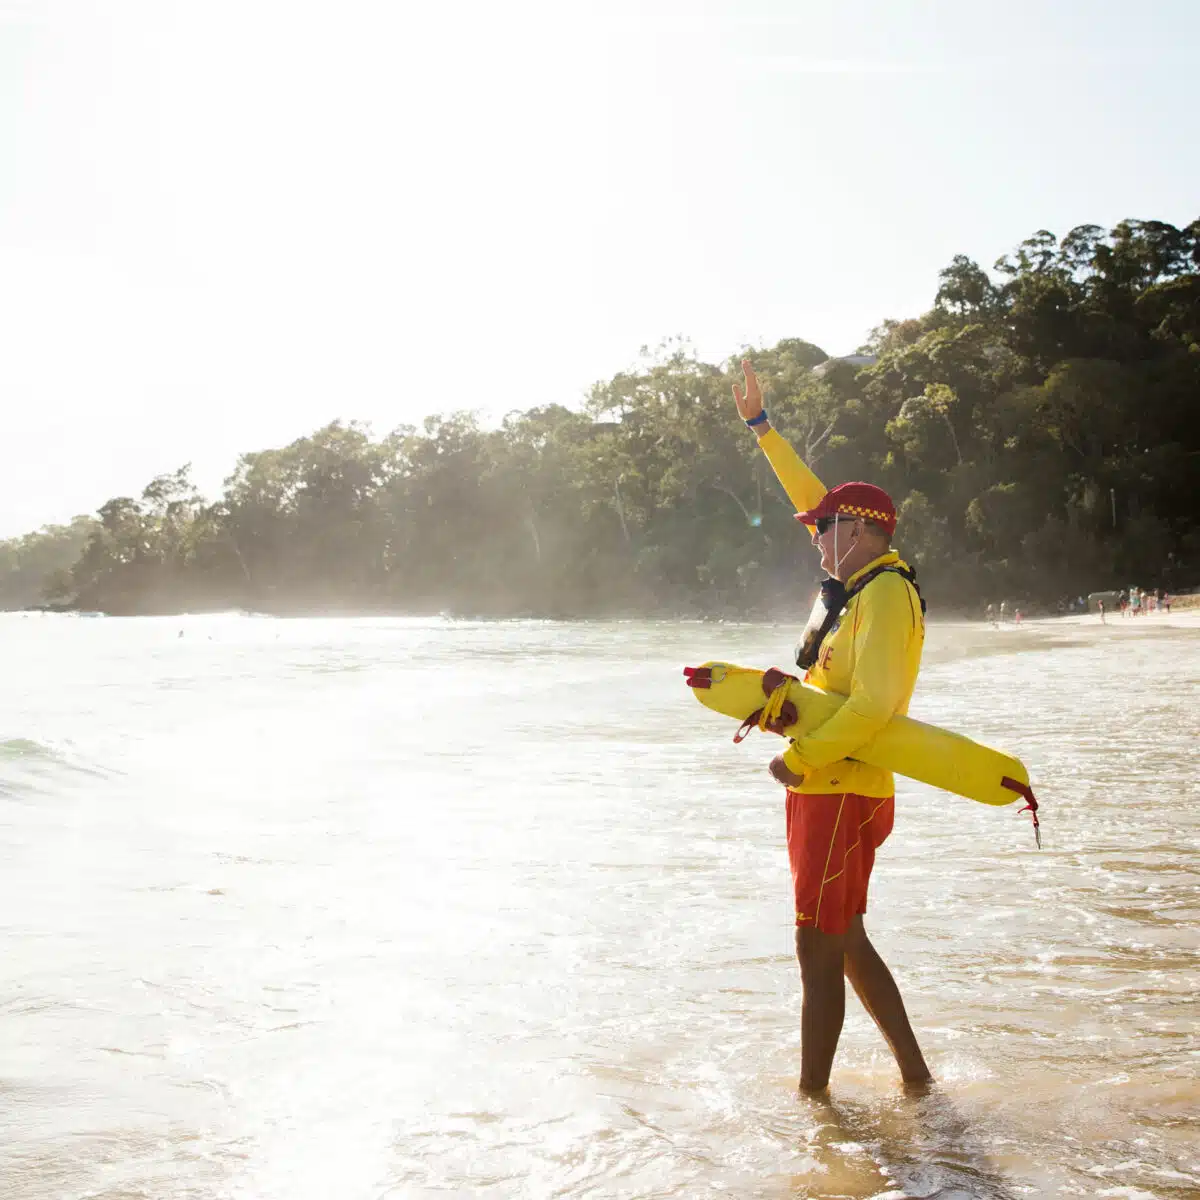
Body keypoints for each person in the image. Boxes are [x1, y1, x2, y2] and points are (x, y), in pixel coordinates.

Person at [732, 359, 931, 1094]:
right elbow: (821, 502)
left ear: (857, 531)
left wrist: (803, 756)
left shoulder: (882, 596)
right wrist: (761, 428)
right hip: (827, 788)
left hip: (840, 788)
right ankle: (918, 1083)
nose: (815, 541)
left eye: (824, 530)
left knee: (816, 946)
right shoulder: (856, 577)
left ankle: (812, 1106)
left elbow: (874, 704)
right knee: (842, 940)